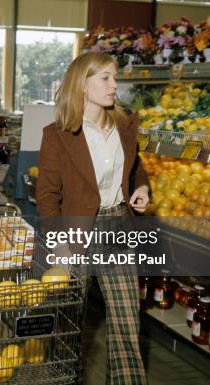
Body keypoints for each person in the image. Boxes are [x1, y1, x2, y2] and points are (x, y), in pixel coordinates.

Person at [36, 52, 150, 385]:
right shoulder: (57, 134)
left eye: (115, 77)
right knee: (68, 328)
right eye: (105, 78)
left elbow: (135, 168)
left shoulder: (124, 126)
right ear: (82, 85)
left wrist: (140, 188)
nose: (114, 85)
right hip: (77, 234)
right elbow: (47, 196)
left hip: (118, 227)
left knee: (128, 326)